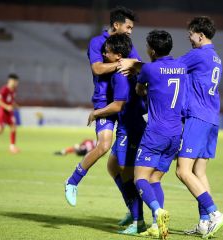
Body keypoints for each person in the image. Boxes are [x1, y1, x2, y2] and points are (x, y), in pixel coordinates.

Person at [64, 6, 141, 211]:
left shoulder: (127, 44)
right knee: (104, 145)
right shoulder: (97, 42)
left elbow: (138, 64)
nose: (130, 31)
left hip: (124, 103)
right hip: (104, 102)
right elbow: (97, 68)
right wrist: (119, 64)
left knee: (118, 166)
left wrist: (130, 64)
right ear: (116, 25)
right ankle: (72, 181)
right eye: (128, 26)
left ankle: (133, 212)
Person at [128, 30, 187, 239]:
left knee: (140, 178)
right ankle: (156, 225)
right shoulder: (182, 67)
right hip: (175, 133)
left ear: (151, 50)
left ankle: (157, 211)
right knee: (155, 179)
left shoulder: (150, 69)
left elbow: (139, 88)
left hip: (156, 132)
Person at [87, 34, 147, 235]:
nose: (103, 54)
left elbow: (118, 104)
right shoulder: (131, 69)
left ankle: (141, 219)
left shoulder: (120, 74)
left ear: (118, 55)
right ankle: (134, 211)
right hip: (127, 126)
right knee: (113, 166)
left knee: (129, 174)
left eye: (107, 52)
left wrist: (97, 113)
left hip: (130, 128)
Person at [175, 16, 223, 239]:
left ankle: (214, 213)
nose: (189, 37)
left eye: (190, 33)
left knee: (182, 171)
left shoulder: (198, 55)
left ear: (200, 34)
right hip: (212, 119)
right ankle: (204, 223)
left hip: (197, 117)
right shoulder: (216, 57)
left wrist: (137, 66)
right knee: (199, 172)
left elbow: (169, 68)